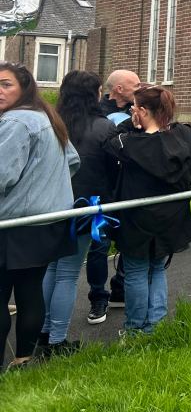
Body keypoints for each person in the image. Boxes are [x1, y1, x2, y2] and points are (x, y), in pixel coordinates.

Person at [0, 62, 78, 368]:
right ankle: (24, 361)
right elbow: (73, 161)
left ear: (24, 88)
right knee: (30, 291)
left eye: (6, 85)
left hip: (14, 224)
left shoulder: (15, 122)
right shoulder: (47, 117)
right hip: (47, 223)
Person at [103, 86, 191, 334]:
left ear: (142, 111)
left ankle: (135, 328)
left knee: (135, 270)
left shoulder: (133, 143)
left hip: (138, 217)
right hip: (171, 215)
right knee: (157, 267)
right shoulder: (185, 136)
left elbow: (108, 142)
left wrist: (129, 124)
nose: (131, 111)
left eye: (134, 108)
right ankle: (155, 325)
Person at [39, 71, 116, 355]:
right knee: (68, 274)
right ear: (93, 94)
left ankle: (43, 332)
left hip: (49, 205)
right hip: (87, 205)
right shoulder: (103, 127)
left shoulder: (50, 124)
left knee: (51, 268)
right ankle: (57, 341)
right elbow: (112, 169)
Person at [88, 68, 140, 315]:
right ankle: (97, 297)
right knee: (98, 245)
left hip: (127, 191)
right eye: (135, 85)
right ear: (119, 89)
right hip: (101, 194)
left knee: (128, 242)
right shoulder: (96, 113)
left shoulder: (138, 110)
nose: (139, 89)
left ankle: (120, 288)